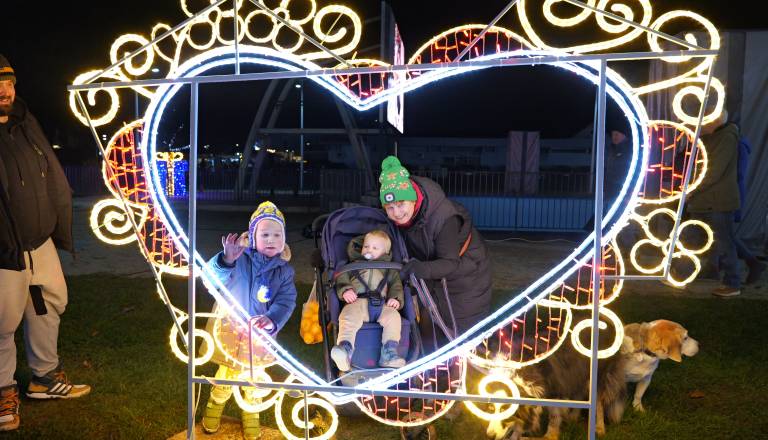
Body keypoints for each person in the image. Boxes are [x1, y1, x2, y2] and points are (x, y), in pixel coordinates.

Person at [0, 54, 90, 432]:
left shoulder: (24, 122)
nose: (5, 90)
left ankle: (43, 377)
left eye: (8, 82)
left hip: (39, 241)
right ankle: (3, 390)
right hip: (4, 247)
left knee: (48, 303)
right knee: (1, 320)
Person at [201, 201, 297, 440]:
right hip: (229, 331)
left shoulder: (284, 271)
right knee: (227, 375)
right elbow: (210, 279)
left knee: (255, 379)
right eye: (264, 234)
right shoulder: (238, 258)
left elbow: (286, 301)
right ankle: (214, 408)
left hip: (260, 336)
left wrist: (272, 320)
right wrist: (226, 260)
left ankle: (251, 413)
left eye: (277, 234)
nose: (271, 239)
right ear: (253, 237)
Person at [378, 156, 492, 347]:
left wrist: (419, 269)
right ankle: (430, 369)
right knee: (429, 334)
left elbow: (450, 262)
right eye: (390, 208)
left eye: (401, 205)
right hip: (433, 279)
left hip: (466, 277)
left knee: (461, 339)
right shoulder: (403, 216)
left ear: (412, 199)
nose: (396, 213)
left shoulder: (443, 218)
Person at [331, 230, 406, 371]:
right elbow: (341, 278)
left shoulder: (390, 270)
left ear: (385, 253)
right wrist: (346, 289)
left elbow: (396, 285)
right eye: (366, 246)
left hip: (382, 304)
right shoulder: (352, 265)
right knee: (348, 316)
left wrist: (395, 299)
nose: (368, 250)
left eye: (375, 248)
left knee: (394, 317)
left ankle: (389, 354)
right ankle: (345, 350)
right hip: (357, 302)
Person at [687, 111, 742, 297]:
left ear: (716, 121)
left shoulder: (726, 138)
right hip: (704, 200)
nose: (701, 125)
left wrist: (691, 189)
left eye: (705, 121)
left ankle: (732, 283)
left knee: (724, 241)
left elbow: (713, 172)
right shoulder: (711, 138)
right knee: (707, 240)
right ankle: (709, 270)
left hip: (718, 200)